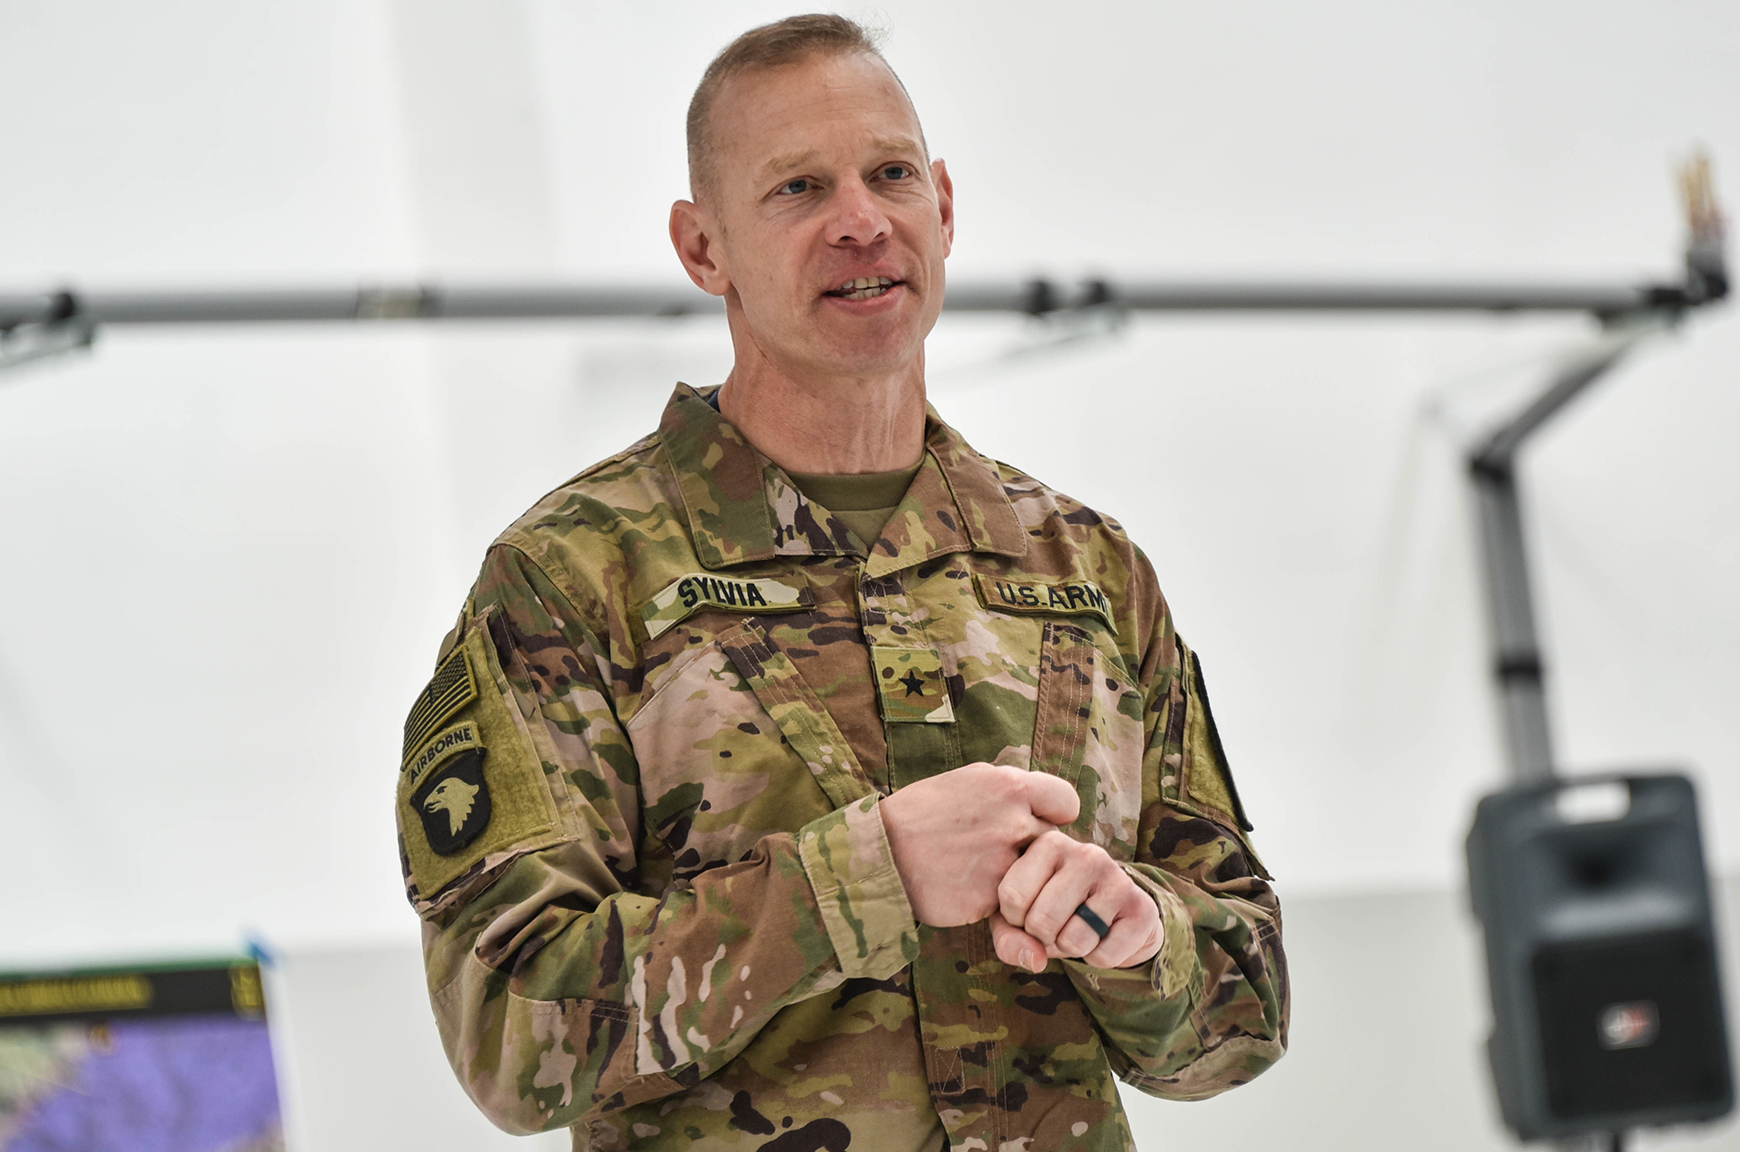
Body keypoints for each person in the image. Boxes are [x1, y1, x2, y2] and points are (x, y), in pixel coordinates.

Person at [395, 14, 1287, 1151]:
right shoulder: (572, 579)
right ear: (702, 248)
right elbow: (509, 1039)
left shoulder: (1083, 567)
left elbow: (1245, 1009)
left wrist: (1136, 936)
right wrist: (867, 877)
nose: (860, 222)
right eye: (797, 189)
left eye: (890, 175)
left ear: (945, 207)